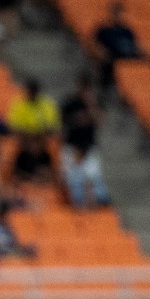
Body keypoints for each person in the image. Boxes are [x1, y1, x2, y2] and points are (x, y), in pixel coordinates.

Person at [60, 73, 109, 208]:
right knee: (73, 179)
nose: (85, 91)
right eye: (83, 88)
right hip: (73, 146)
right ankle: (76, 207)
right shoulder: (70, 104)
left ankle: (94, 205)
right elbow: (62, 125)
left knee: (92, 177)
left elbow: (100, 121)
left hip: (89, 146)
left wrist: (91, 107)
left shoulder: (94, 103)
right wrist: (77, 119)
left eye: (88, 88)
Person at [92, 1, 144, 90]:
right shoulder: (104, 31)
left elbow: (134, 47)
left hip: (125, 65)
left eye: (120, 13)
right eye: (116, 13)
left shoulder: (127, 32)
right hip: (108, 67)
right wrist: (101, 54)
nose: (119, 16)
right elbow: (94, 46)